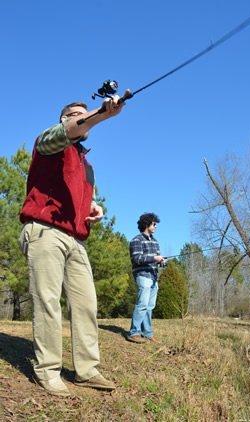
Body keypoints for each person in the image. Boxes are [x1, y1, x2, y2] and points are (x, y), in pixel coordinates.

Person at [19, 96, 124, 396]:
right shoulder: (49, 141)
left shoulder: (86, 165)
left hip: (76, 240)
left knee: (86, 304)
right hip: (45, 232)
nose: (82, 116)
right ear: (64, 119)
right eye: (75, 114)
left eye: (84, 113)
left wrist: (93, 207)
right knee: (48, 302)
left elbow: (75, 195)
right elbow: (67, 131)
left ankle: (87, 370)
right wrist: (101, 114)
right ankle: (48, 370)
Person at [127, 213, 164, 343]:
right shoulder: (136, 240)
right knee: (142, 304)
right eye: (154, 224)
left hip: (154, 277)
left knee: (149, 306)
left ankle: (147, 333)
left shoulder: (155, 241)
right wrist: (154, 258)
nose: (156, 226)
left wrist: (161, 261)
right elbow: (137, 259)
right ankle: (134, 332)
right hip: (143, 275)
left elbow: (158, 259)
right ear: (147, 224)